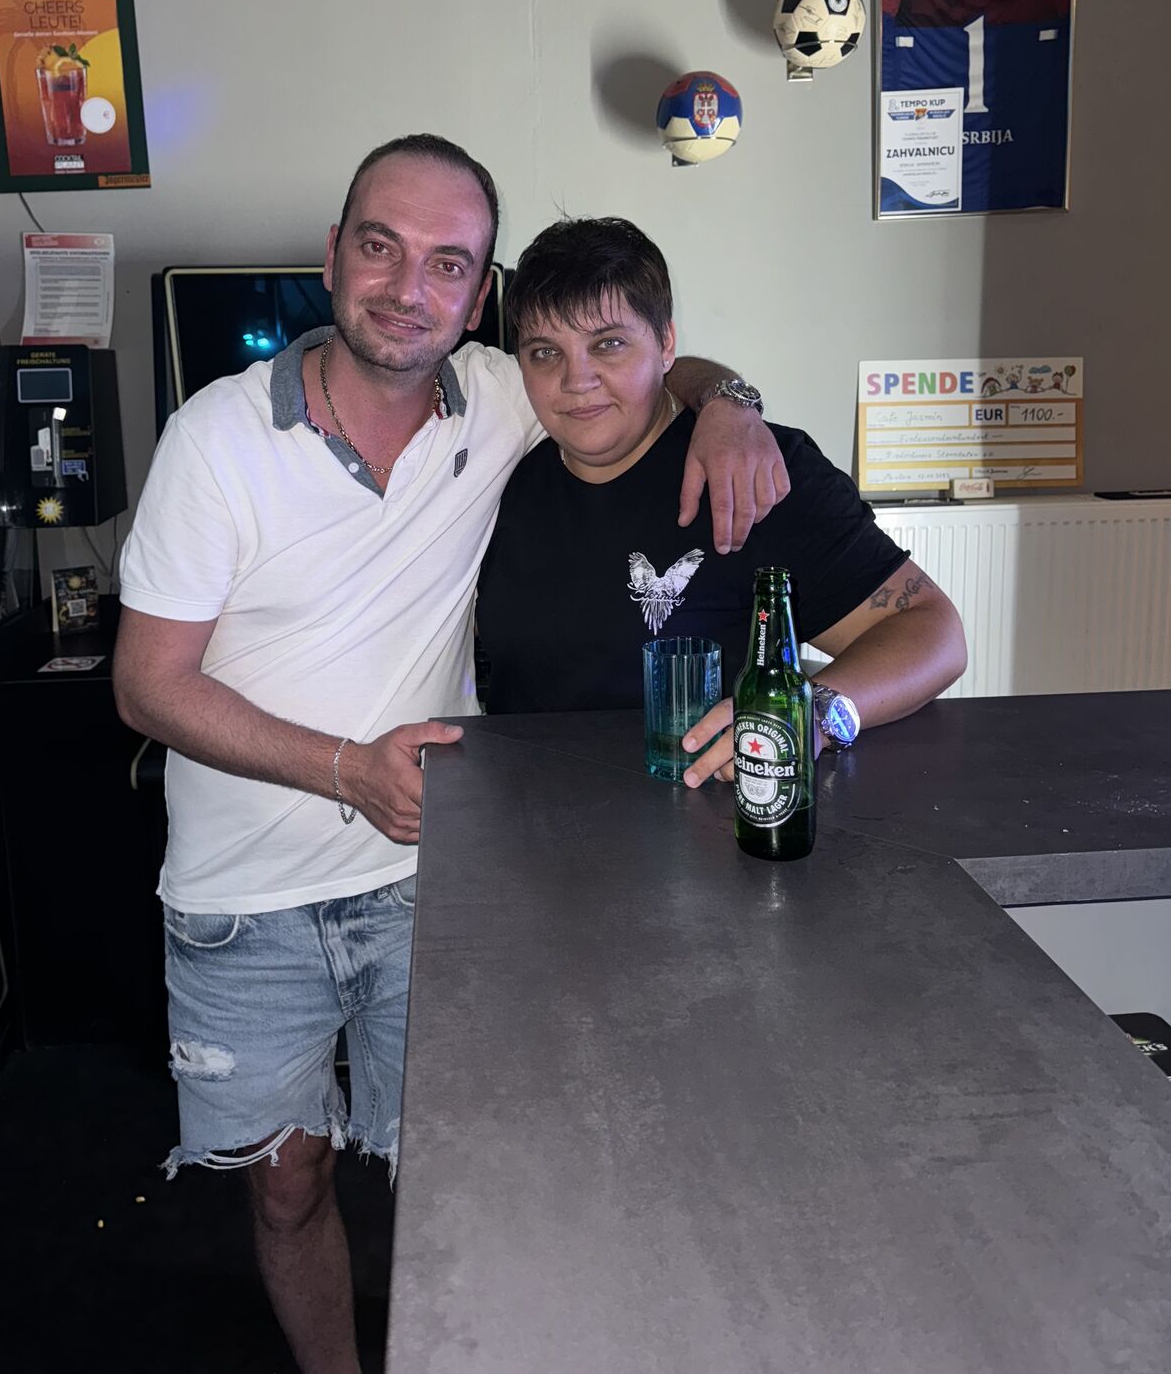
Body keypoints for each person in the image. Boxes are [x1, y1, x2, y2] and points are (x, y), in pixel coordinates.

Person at [112, 136, 788, 1374]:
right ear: (333, 256)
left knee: (460, 1170)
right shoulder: (214, 440)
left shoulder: (502, 394)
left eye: (446, 264)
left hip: (433, 878)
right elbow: (146, 687)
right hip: (241, 899)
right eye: (380, 247)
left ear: (479, 296)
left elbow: (641, 357)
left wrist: (732, 403)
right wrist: (344, 768)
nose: (406, 287)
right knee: (286, 1186)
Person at [476, 217, 968, 777]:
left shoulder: (754, 469)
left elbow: (933, 631)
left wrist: (812, 713)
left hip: (704, 817)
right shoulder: (500, 475)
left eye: (608, 344)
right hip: (525, 815)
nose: (576, 379)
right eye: (545, 353)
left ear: (665, 344)